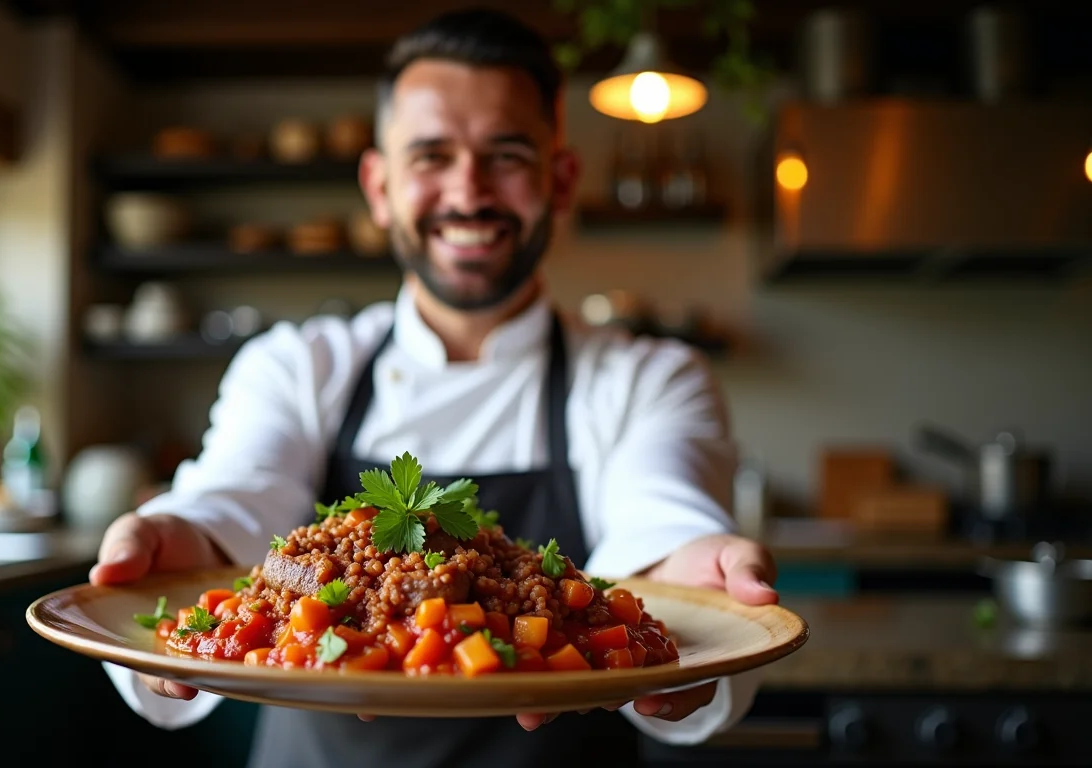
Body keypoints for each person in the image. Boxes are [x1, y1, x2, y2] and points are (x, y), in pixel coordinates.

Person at [93, 7, 778, 767]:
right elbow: (238, 498)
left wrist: (686, 578)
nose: (468, 190)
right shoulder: (294, 365)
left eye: (506, 155)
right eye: (431, 156)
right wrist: (182, 538)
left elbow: (660, 517)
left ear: (559, 180)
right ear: (379, 186)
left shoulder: (652, 377)